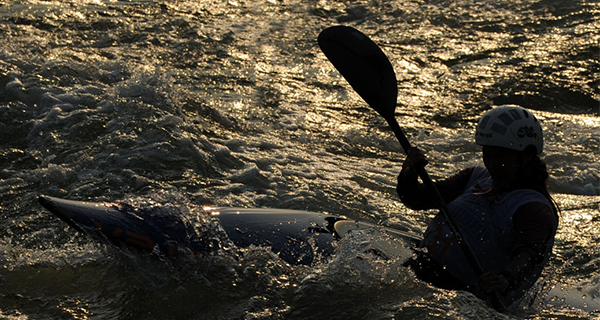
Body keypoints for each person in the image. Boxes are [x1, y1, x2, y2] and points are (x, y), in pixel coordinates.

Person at [397, 105, 559, 307]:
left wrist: (504, 280)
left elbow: (528, 256)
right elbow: (418, 200)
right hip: (422, 269)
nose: (491, 164)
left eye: (500, 156)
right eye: (487, 154)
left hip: (464, 300)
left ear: (526, 156)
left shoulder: (533, 208)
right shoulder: (476, 176)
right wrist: (408, 176)